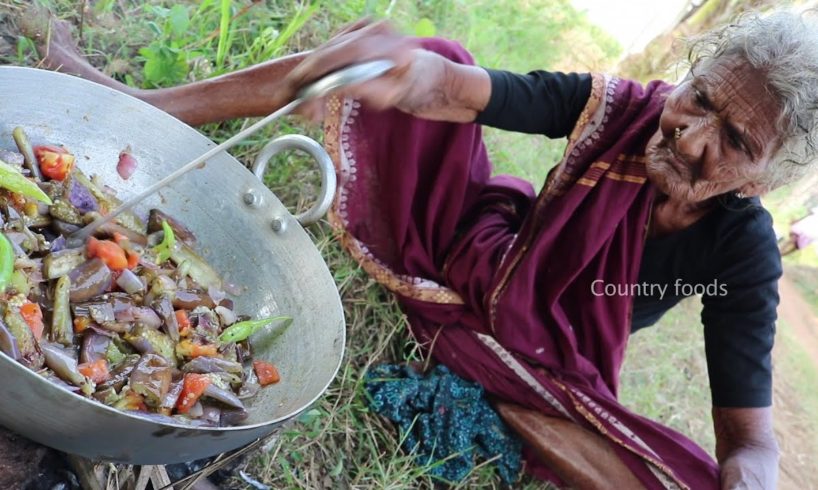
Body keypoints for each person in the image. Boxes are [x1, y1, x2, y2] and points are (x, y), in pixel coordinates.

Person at [22, 8, 818, 489]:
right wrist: (402, 69)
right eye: (700, 97)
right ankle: (137, 104)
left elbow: (748, 442)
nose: (691, 134)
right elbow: (454, 90)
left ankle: (507, 401)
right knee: (408, 63)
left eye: (735, 139)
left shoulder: (743, 257)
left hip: (551, 368)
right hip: (478, 261)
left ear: (762, 179)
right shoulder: (622, 114)